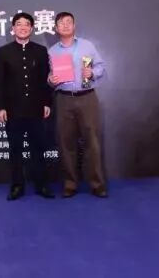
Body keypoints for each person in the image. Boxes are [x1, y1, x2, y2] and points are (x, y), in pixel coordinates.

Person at [0, 12, 55, 201]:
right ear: (13, 29)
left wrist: (47, 102)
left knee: (38, 149)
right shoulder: (3, 52)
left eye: (26, 24)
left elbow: (45, 80)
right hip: (13, 110)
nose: (23, 27)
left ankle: (41, 185)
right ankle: (17, 186)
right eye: (19, 24)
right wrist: (1, 107)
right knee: (16, 150)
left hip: (36, 108)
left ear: (32, 28)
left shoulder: (40, 51)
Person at [48, 12, 108, 198]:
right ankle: (70, 184)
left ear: (74, 26)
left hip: (87, 97)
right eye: (61, 23)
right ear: (56, 28)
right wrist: (50, 80)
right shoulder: (52, 52)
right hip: (63, 98)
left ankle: (97, 185)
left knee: (92, 142)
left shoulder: (87, 46)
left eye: (69, 22)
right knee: (66, 143)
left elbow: (101, 66)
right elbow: (48, 77)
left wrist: (92, 73)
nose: (65, 25)